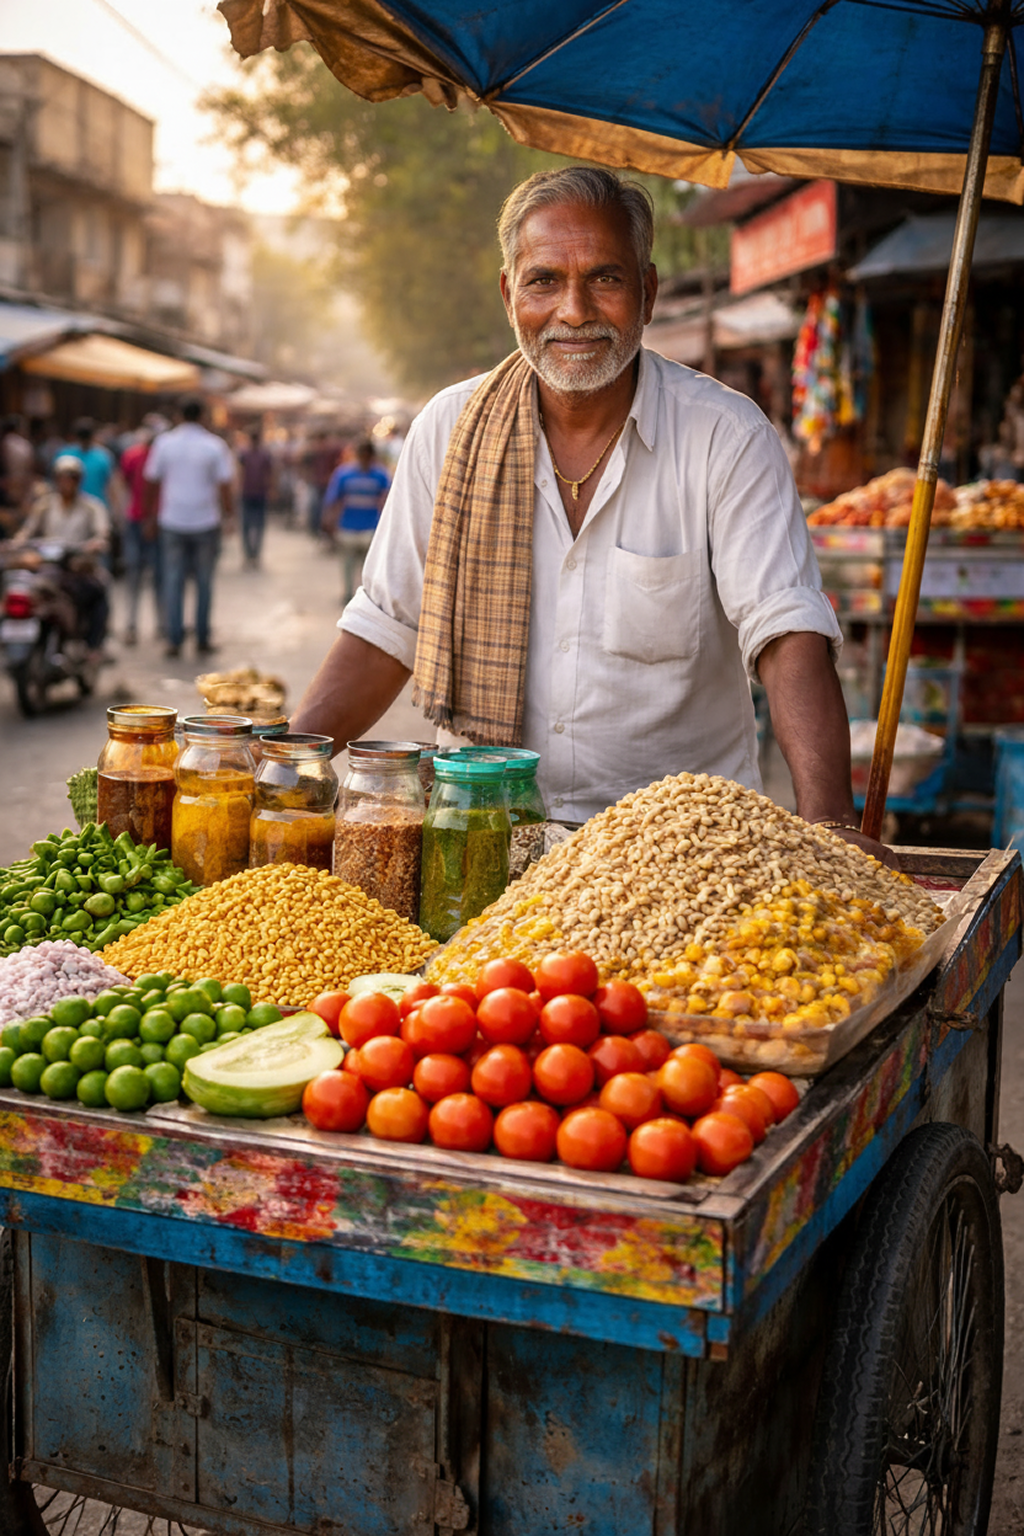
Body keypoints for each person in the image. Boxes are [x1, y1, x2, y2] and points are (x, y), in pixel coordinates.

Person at [292, 167, 888, 864]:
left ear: (648, 292)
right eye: (544, 281)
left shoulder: (725, 434)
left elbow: (786, 629)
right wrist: (283, 769)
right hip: (483, 840)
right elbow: (387, 626)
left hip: (680, 856)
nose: (574, 311)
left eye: (604, 278)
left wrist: (832, 827)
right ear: (509, 294)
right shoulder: (448, 429)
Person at [142, 397, 235, 660]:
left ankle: (174, 639)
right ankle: (202, 638)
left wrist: (149, 517)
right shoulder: (214, 445)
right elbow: (225, 485)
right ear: (203, 416)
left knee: (173, 580)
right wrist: (229, 517)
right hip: (206, 521)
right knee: (204, 582)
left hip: (172, 520)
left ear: (179, 416)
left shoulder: (164, 443)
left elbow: (151, 481)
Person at [13, 455, 111, 657]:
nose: (66, 482)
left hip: (79, 569)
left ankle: (93, 647)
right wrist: (17, 543)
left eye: (71, 478)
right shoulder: (45, 505)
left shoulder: (91, 506)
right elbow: (28, 531)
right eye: (62, 477)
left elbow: (102, 532)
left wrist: (96, 543)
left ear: (79, 480)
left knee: (99, 591)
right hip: (49, 568)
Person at [322, 439, 391, 603]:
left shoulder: (344, 474)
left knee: (354, 565)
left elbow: (332, 500)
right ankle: (355, 596)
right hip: (357, 528)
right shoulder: (380, 474)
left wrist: (328, 520)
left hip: (361, 528)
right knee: (357, 566)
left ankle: (354, 595)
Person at [118, 418, 165, 644]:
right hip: (146, 521)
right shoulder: (137, 456)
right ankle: (144, 625)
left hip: (147, 521)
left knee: (146, 576)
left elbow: (124, 483)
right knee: (148, 576)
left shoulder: (137, 455)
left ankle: (145, 625)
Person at [238, 426, 275, 568]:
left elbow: (270, 472)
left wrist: (271, 488)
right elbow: (240, 471)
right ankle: (250, 555)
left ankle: (254, 555)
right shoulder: (245, 454)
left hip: (257, 493)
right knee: (250, 526)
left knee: (255, 526)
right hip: (249, 492)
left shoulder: (263, 455)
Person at [60, 418, 115, 507]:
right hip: (97, 505)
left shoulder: (64, 454)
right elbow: (111, 486)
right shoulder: (103, 456)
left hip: (70, 507)